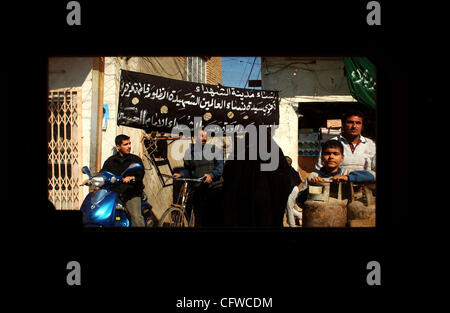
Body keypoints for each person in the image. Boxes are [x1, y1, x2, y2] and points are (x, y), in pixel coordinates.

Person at [91, 134, 146, 227]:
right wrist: (92, 180)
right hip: (114, 194)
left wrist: (132, 178)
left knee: (136, 217)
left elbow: (140, 174)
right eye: (125, 144)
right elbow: (103, 173)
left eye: (129, 143)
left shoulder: (135, 159)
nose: (129, 146)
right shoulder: (110, 161)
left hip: (131, 194)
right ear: (118, 147)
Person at [298, 140, 375, 205]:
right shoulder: (314, 176)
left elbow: (372, 175)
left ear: (342, 158)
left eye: (335, 154)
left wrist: (348, 178)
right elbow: (299, 202)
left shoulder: (346, 173)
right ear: (321, 157)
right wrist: (312, 187)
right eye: (327, 153)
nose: (331, 157)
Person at [173, 130, 224, 227]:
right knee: (199, 217)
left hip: (214, 188)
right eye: (202, 136)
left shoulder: (214, 149)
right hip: (198, 188)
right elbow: (188, 169)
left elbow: (220, 168)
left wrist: (211, 175)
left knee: (212, 218)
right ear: (195, 137)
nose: (204, 138)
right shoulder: (189, 152)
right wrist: (181, 174)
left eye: (205, 136)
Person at [315, 110, 376, 177]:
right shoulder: (331, 143)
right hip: (337, 185)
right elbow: (319, 169)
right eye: (350, 122)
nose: (354, 126)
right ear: (343, 125)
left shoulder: (371, 145)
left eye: (358, 123)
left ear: (362, 126)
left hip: (364, 186)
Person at [284, 156, 302, 227]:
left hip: (292, 190)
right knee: (287, 208)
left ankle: (292, 225)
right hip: (294, 189)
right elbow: (299, 180)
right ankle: (301, 216)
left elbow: (290, 183)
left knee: (288, 206)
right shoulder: (291, 169)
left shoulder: (288, 171)